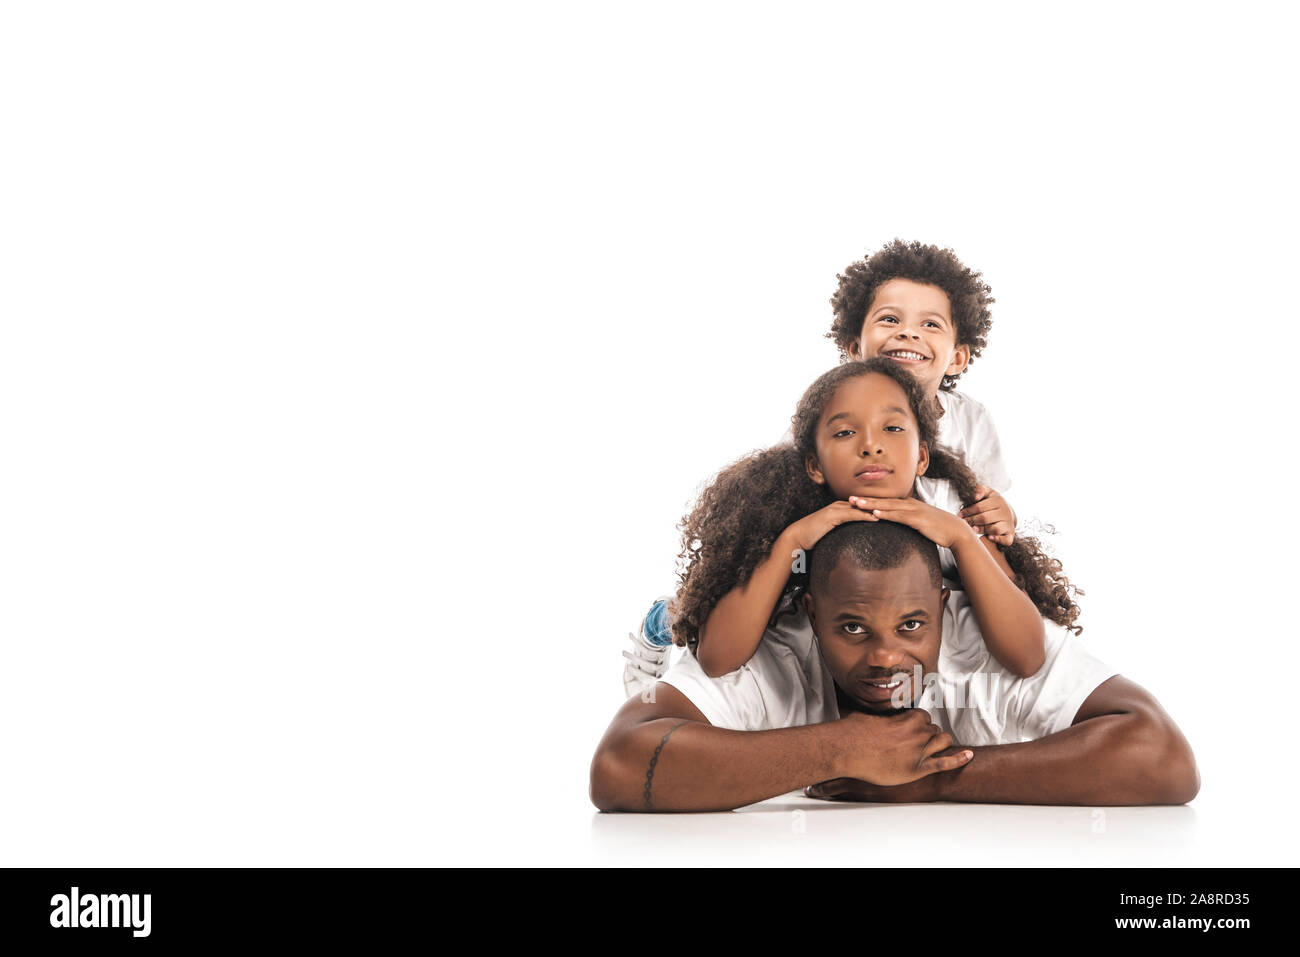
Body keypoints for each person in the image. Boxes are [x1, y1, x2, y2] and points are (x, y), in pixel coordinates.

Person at [623, 240, 1020, 695]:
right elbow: (763, 522)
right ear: (854, 346)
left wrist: (1003, 515)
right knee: (736, 609)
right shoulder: (829, 420)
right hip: (822, 562)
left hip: (913, 570)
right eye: (890, 319)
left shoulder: (973, 421)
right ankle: (667, 620)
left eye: (929, 324)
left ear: (957, 357)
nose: (909, 333)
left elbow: (987, 509)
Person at [589, 521, 1199, 812]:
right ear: (809, 614)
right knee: (669, 663)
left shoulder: (983, 638)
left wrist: (931, 778)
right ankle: (658, 634)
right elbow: (619, 762)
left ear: (945, 606)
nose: (885, 657)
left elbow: (1163, 756)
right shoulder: (777, 645)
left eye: (912, 626)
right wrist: (841, 748)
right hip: (678, 666)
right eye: (852, 628)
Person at [668, 358, 1081, 689]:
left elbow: (1028, 658)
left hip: (910, 684)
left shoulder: (952, 510)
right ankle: (660, 624)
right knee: (678, 618)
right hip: (824, 679)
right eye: (846, 432)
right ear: (814, 464)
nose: (871, 445)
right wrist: (791, 540)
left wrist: (959, 538)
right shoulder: (788, 523)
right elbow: (718, 660)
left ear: (922, 456)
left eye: (893, 427)